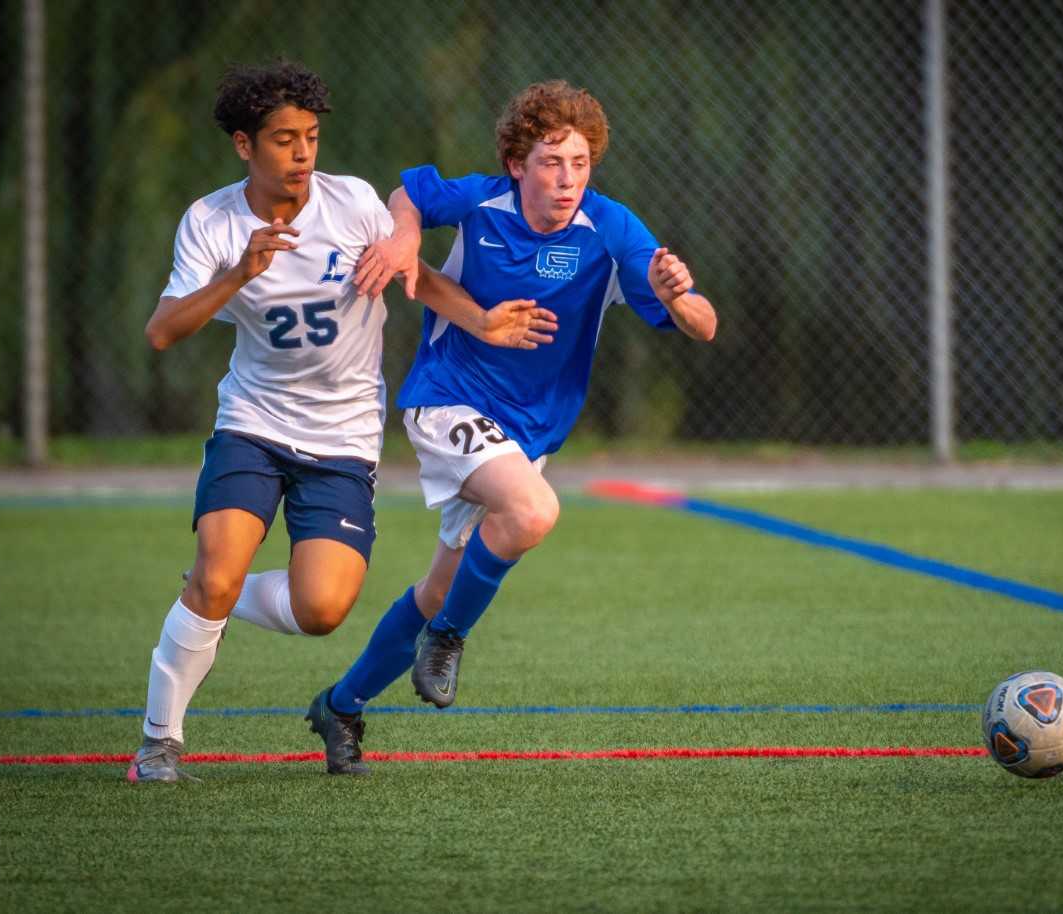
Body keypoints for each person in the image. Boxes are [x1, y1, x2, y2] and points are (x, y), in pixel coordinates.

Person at [127, 61, 557, 784]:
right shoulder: (211, 221)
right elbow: (163, 330)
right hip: (254, 423)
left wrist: (482, 321)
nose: (301, 154)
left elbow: (416, 275)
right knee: (216, 573)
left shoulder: (353, 204)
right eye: (283, 139)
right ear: (244, 146)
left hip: (343, 439)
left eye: (312, 137)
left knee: (322, 608)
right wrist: (237, 274)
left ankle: (216, 595)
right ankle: (157, 746)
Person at [306, 79, 717, 775]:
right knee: (531, 511)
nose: (567, 179)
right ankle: (449, 639)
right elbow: (409, 195)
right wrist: (406, 236)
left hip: (527, 435)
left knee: (438, 586)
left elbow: (704, 325)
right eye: (552, 162)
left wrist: (680, 296)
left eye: (580, 164)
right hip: (448, 402)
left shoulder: (609, 227)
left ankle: (340, 705)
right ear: (517, 164)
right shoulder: (480, 201)